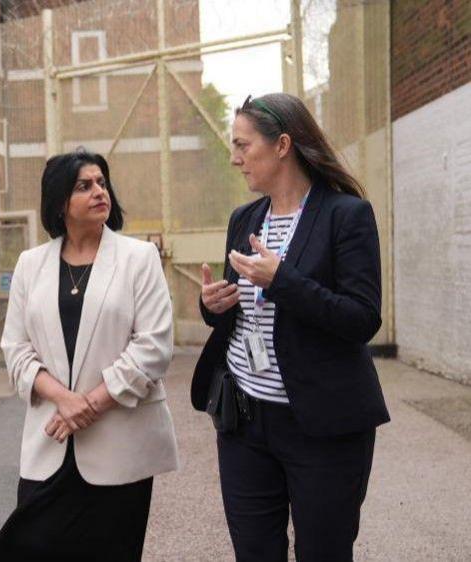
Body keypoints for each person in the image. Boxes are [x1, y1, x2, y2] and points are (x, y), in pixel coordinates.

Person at [191, 93, 390, 562]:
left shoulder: (346, 214)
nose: (236, 159)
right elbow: (241, 310)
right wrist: (213, 306)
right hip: (243, 419)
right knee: (254, 552)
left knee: (324, 552)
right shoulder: (245, 218)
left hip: (320, 424)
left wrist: (283, 281)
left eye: (243, 145)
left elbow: (362, 318)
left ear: (282, 145)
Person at [0, 150, 177, 561]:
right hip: (50, 444)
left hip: (119, 446)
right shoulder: (30, 264)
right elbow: (15, 348)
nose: (98, 192)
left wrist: (88, 404)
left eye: (101, 183)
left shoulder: (138, 259)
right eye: (83, 186)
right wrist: (65, 399)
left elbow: (154, 347)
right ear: (59, 202)